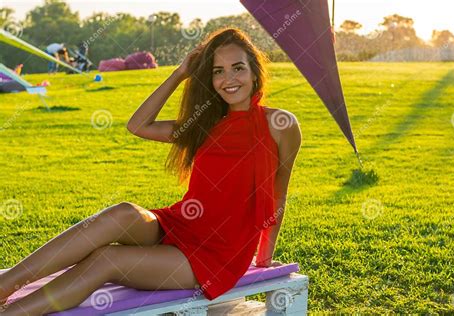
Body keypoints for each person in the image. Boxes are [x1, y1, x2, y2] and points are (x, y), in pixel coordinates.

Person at [0, 27, 302, 314]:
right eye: (217, 71)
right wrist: (180, 73)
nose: (228, 79)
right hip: (183, 223)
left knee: (108, 259)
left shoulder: (280, 125)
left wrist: (263, 257)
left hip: (217, 255)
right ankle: (6, 284)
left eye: (238, 68)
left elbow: (279, 194)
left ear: (254, 71)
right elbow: (138, 125)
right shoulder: (205, 124)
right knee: (123, 212)